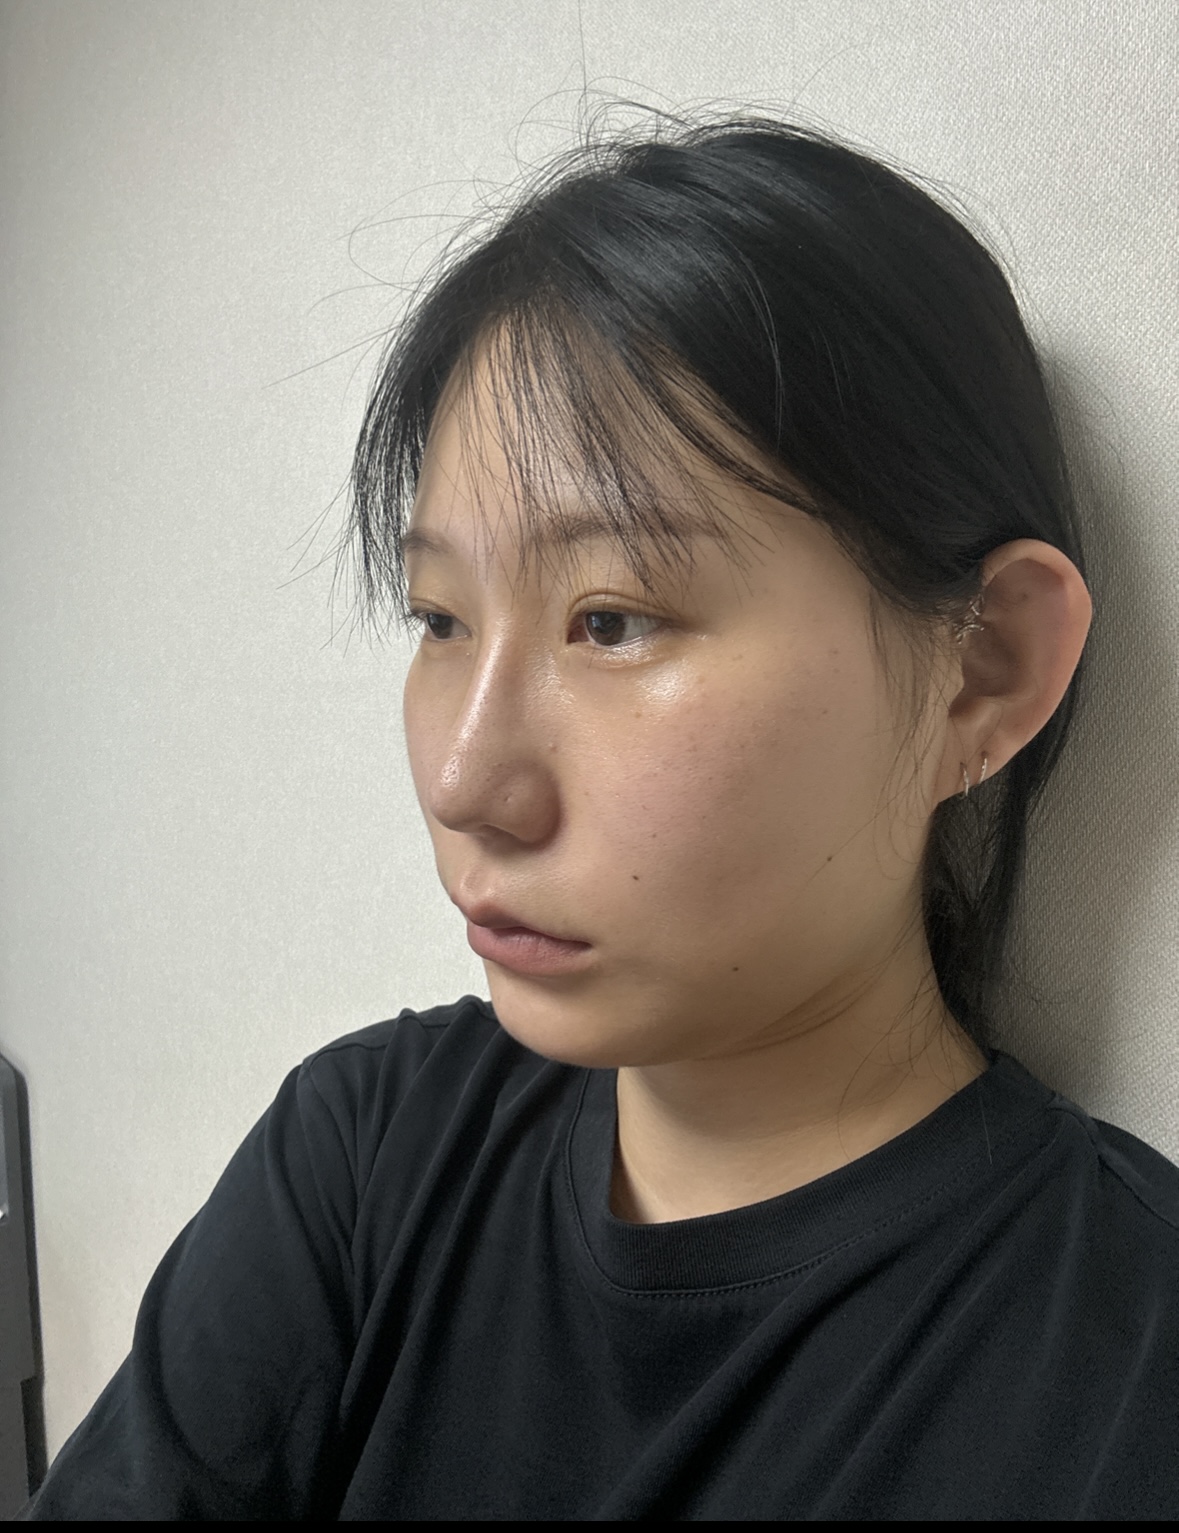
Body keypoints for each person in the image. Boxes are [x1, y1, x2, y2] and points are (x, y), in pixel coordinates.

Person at [20, 108, 1179, 1521]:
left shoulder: (1128, 1373)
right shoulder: (367, 1153)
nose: (463, 781)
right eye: (439, 617)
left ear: (982, 666)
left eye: (613, 620)